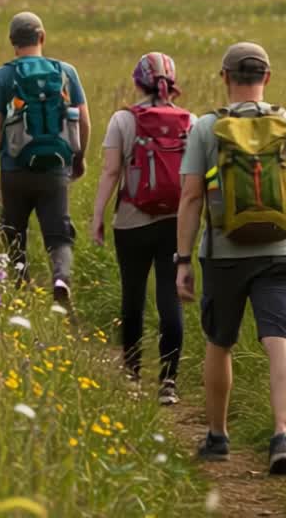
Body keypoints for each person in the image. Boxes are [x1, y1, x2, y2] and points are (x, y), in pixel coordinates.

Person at [175, 42, 286, 475]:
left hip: (223, 254)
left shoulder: (206, 128)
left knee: (220, 343)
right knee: (280, 342)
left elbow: (192, 197)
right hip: (281, 251)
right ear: (266, 78)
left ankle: (217, 438)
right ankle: (280, 435)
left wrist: (183, 259)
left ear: (225, 77)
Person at [90, 53, 191, 406]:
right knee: (170, 296)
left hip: (131, 221)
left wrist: (98, 214)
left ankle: (132, 375)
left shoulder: (122, 119)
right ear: (172, 83)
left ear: (137, 82)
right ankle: (168, 383)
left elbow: (110, 172)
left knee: (132, 297)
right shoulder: (188, 121)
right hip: (175, 222)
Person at [0, 12, 90, 307]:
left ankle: (21, 288)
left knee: (13, 229)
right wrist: (78, 159)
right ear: (42, 37)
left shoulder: (2, 76)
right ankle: (60, 279)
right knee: (59, 232)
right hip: (56, 167)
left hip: (14, 168)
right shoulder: (66, 71)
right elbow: (83, 121)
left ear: (12, 42)